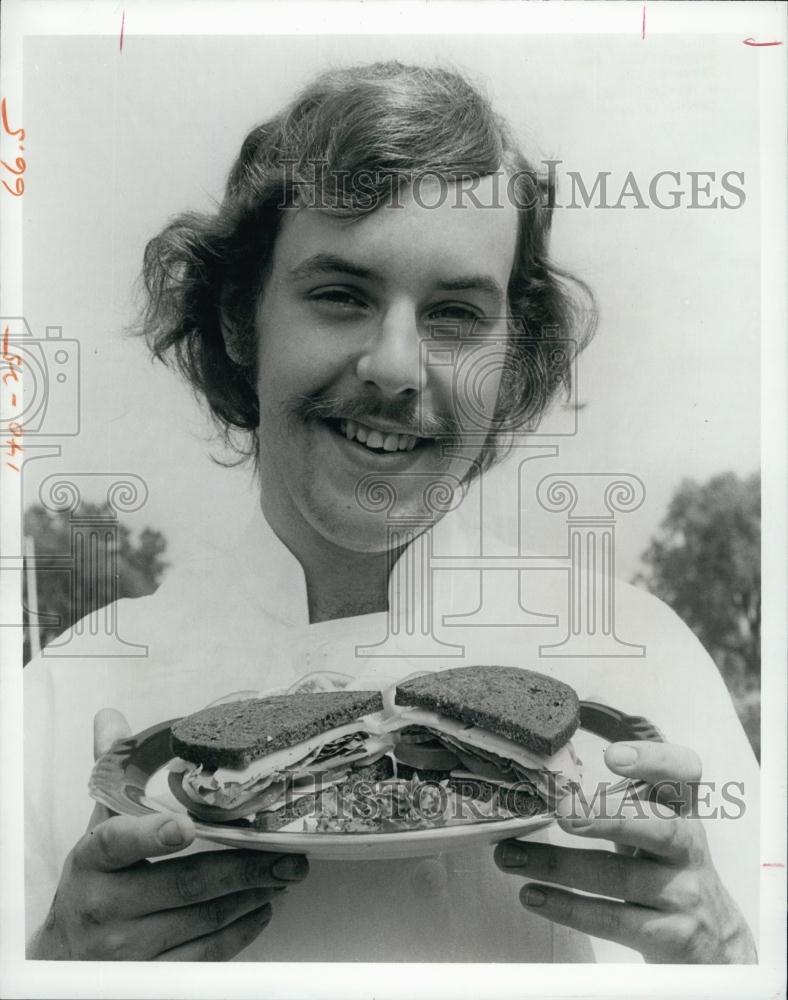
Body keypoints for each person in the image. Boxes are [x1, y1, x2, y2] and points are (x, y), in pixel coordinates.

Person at [25, 61, 758, 963]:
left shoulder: (648, 668)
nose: (397, 368)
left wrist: (726, 959)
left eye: (453, 313)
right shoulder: (69, 694)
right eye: (340, 295)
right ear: (236, 321)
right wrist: (54, 959)